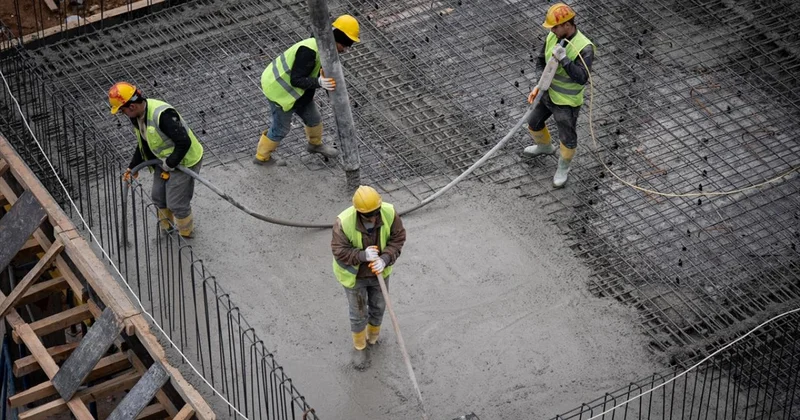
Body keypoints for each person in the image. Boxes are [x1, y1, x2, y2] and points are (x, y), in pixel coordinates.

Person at [253, 14, 361, 166]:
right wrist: (319, 82)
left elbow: (323, 76)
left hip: (300, 92)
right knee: (281, 129)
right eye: (345, 45)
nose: (346, 49)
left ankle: (314, 145)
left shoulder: (326, 48)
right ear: (337, 39)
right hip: (279, 91)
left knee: (314, 119)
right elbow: (296, 79)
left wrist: (335, 97)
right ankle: (261, 157)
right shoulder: (309, 50)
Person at [109, 82, 204, 238]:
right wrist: (133, 167)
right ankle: (166, 229)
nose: (123, 114)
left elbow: (184, 142)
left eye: (122, 111)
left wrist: (170, 164)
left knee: (176, 203)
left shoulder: (162, 115)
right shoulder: (138, 117)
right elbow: (144, 143)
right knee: (158, 196)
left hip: (185, 160)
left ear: (131, 107)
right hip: (163, 160)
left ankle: (186, 234)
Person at [331, 185, 406, 368]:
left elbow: (398, 238)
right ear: (359, 213)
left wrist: (385, 258)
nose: (373, 217)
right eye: (368, 215)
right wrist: (361, 256)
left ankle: (373, 338)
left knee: (379, 306)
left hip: (379, 271)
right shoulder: (344, 222)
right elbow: (338, 250)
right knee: (358, 312)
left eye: (375, 213)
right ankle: (360, 347)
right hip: (354, 276)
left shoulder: (389, 213)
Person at [524, 3, 595, 188]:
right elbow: (541, 61)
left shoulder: (584, 47)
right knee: (533, 122)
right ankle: (545, 146)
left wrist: (564, 59)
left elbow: (581, 78)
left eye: (555, 26)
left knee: (567, 138)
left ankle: (563, 168)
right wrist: (539, 85)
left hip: (566, 102)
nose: (552, 30)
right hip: (547, 94)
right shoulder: (552, 36)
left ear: (567, 25)